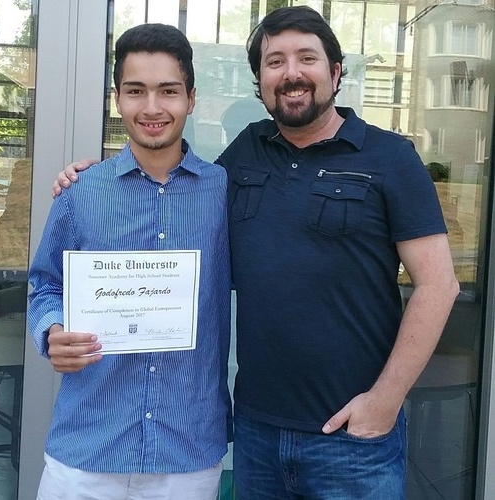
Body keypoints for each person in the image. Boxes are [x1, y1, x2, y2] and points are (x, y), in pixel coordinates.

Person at [53, 6, 459, 499]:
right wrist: (95, 178)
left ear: (334, 72)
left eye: (306, 58)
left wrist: (386, 400)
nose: (291, 73)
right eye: (274, 62)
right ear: (261, 82)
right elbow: (173, 193)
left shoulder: (391, 157)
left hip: (353, 436)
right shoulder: (244, 154)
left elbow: (438, 284)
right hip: (256, 435)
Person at [29, 23, 231, 500]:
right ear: (117, 99)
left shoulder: (226, 193)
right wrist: (51, 331)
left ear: (192, 98)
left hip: (187, 450)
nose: (153, 107)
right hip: (87, 447)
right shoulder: (81, 192)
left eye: (169, 91)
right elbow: (45, 285)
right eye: (136, 91)